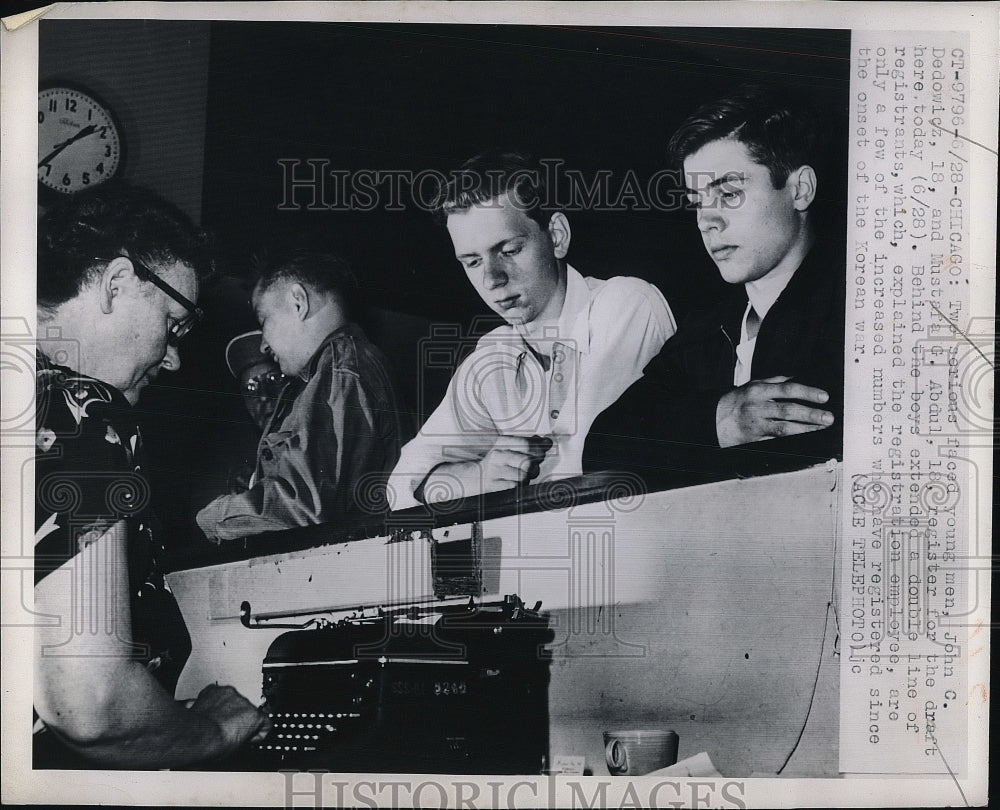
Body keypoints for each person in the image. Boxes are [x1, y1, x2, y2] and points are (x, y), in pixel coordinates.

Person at [34, 182, 269, 768]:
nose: (174, 358)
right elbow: (91, 706)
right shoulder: (83, 409)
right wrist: (212, 730)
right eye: (175, 323)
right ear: (117, 283)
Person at [388, 152, 677, 509]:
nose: (492, 279)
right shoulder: (493, 353)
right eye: (473, 262)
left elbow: (586, 464)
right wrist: (477, 475)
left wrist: (476, 481)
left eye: (508, 250)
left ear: (556, 236)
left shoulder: (626, 304)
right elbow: (400, 484)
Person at [585, 84, 845, 475]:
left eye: (728, 193)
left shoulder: (860, 310)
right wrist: (721, 420)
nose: (707, 220)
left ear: (799, 189)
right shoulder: (707, 330)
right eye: (697, 201)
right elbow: (604, 447)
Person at [196, 250, 410, 541]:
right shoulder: (343, 366)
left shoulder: (341, 367)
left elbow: (304, 506)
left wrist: (214, 516)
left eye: (264, 321)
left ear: (299, 302)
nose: (263, 345)